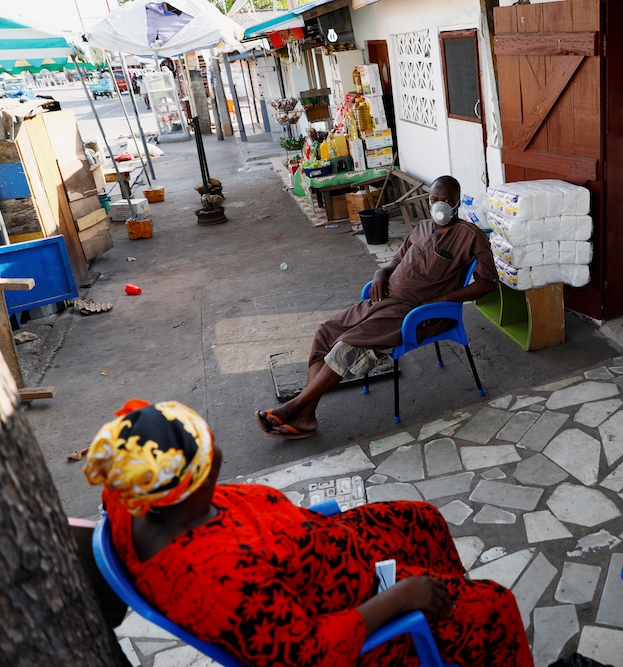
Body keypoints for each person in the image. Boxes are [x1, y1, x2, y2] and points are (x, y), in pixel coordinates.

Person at [84, 400, 533, 666]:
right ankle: (446, 624)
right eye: (209, 457)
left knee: (421, 518)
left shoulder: (132, 486)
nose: (218, 448)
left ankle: (450, 614)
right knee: (497, 606)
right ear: (185, 492)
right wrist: (402, 598)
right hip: (347, 611)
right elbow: (312, 655)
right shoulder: (217, 580)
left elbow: (135, 419)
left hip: (322, 550)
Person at [256, 175, 498, 439]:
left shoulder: (470, 236)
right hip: (383, 300)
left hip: (412, 312)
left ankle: (294, 407)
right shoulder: (422, 227)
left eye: (447, 201)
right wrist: (381, 274)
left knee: (345, 346)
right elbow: (396, 261)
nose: (440, 206)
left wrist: (443, 301)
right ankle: (306, 416)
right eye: (434, 200)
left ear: (457, 202)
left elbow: (489, 283)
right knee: (326, 332)